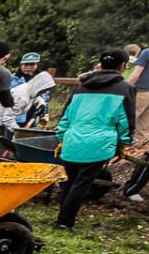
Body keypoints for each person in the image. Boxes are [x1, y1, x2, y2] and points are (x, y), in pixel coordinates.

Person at [53, 49, 133, 230]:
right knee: (82, 184)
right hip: (100, 143)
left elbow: (66, 116)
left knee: (70, 182)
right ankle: (65, 222)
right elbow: (125, 121)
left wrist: (61, 138)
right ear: (123, 66)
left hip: (73, 139)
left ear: (101, 64)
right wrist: (123, 143)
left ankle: (61, 219)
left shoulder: (81, 87)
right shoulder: (124, 89)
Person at [2, 53, 57, 127]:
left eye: (32, 65)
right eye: (26, 64)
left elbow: (44, 98)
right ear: (22, 65)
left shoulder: (43, 81)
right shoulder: (12, 79)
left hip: (32, 114)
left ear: (36, 65)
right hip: (16, 115)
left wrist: (44, 113)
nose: (29, 67)